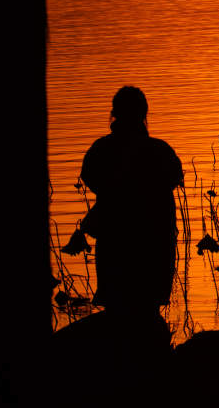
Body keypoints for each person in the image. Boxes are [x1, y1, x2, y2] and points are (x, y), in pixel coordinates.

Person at [81, 86, 183, 316]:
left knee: (117, 312)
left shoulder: (101, 150)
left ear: (114, 114)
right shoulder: (160, 151)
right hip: (154, 246)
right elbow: (175, 178)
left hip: (115, 244)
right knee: (148, 311)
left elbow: (89, 176)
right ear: (144, 114)